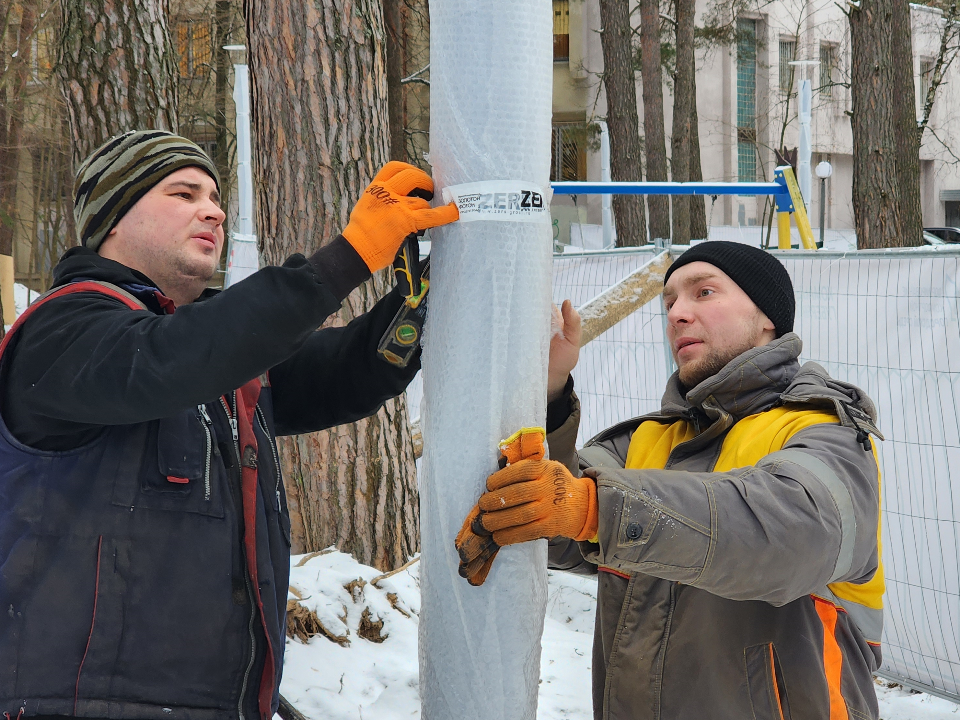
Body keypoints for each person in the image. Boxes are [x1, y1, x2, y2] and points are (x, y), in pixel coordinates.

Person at [0, 130, 458, 720]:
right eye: (183, 193)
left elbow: (340, 372)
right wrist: (350, 254)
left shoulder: (212, 363)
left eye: (214, 196)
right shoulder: (61, 333)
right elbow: (177, 358)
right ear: (114, 217)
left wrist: (419, 297)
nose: (212, 210)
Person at [457, 241, 885, 720]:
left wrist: (601, 509)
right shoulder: (647, 440)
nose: (678, 313)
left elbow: (795, 534)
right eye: (670, 303)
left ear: (767, 317)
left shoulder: (825, 431)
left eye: (703, 292)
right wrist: (551, 389)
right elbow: (555, 527)